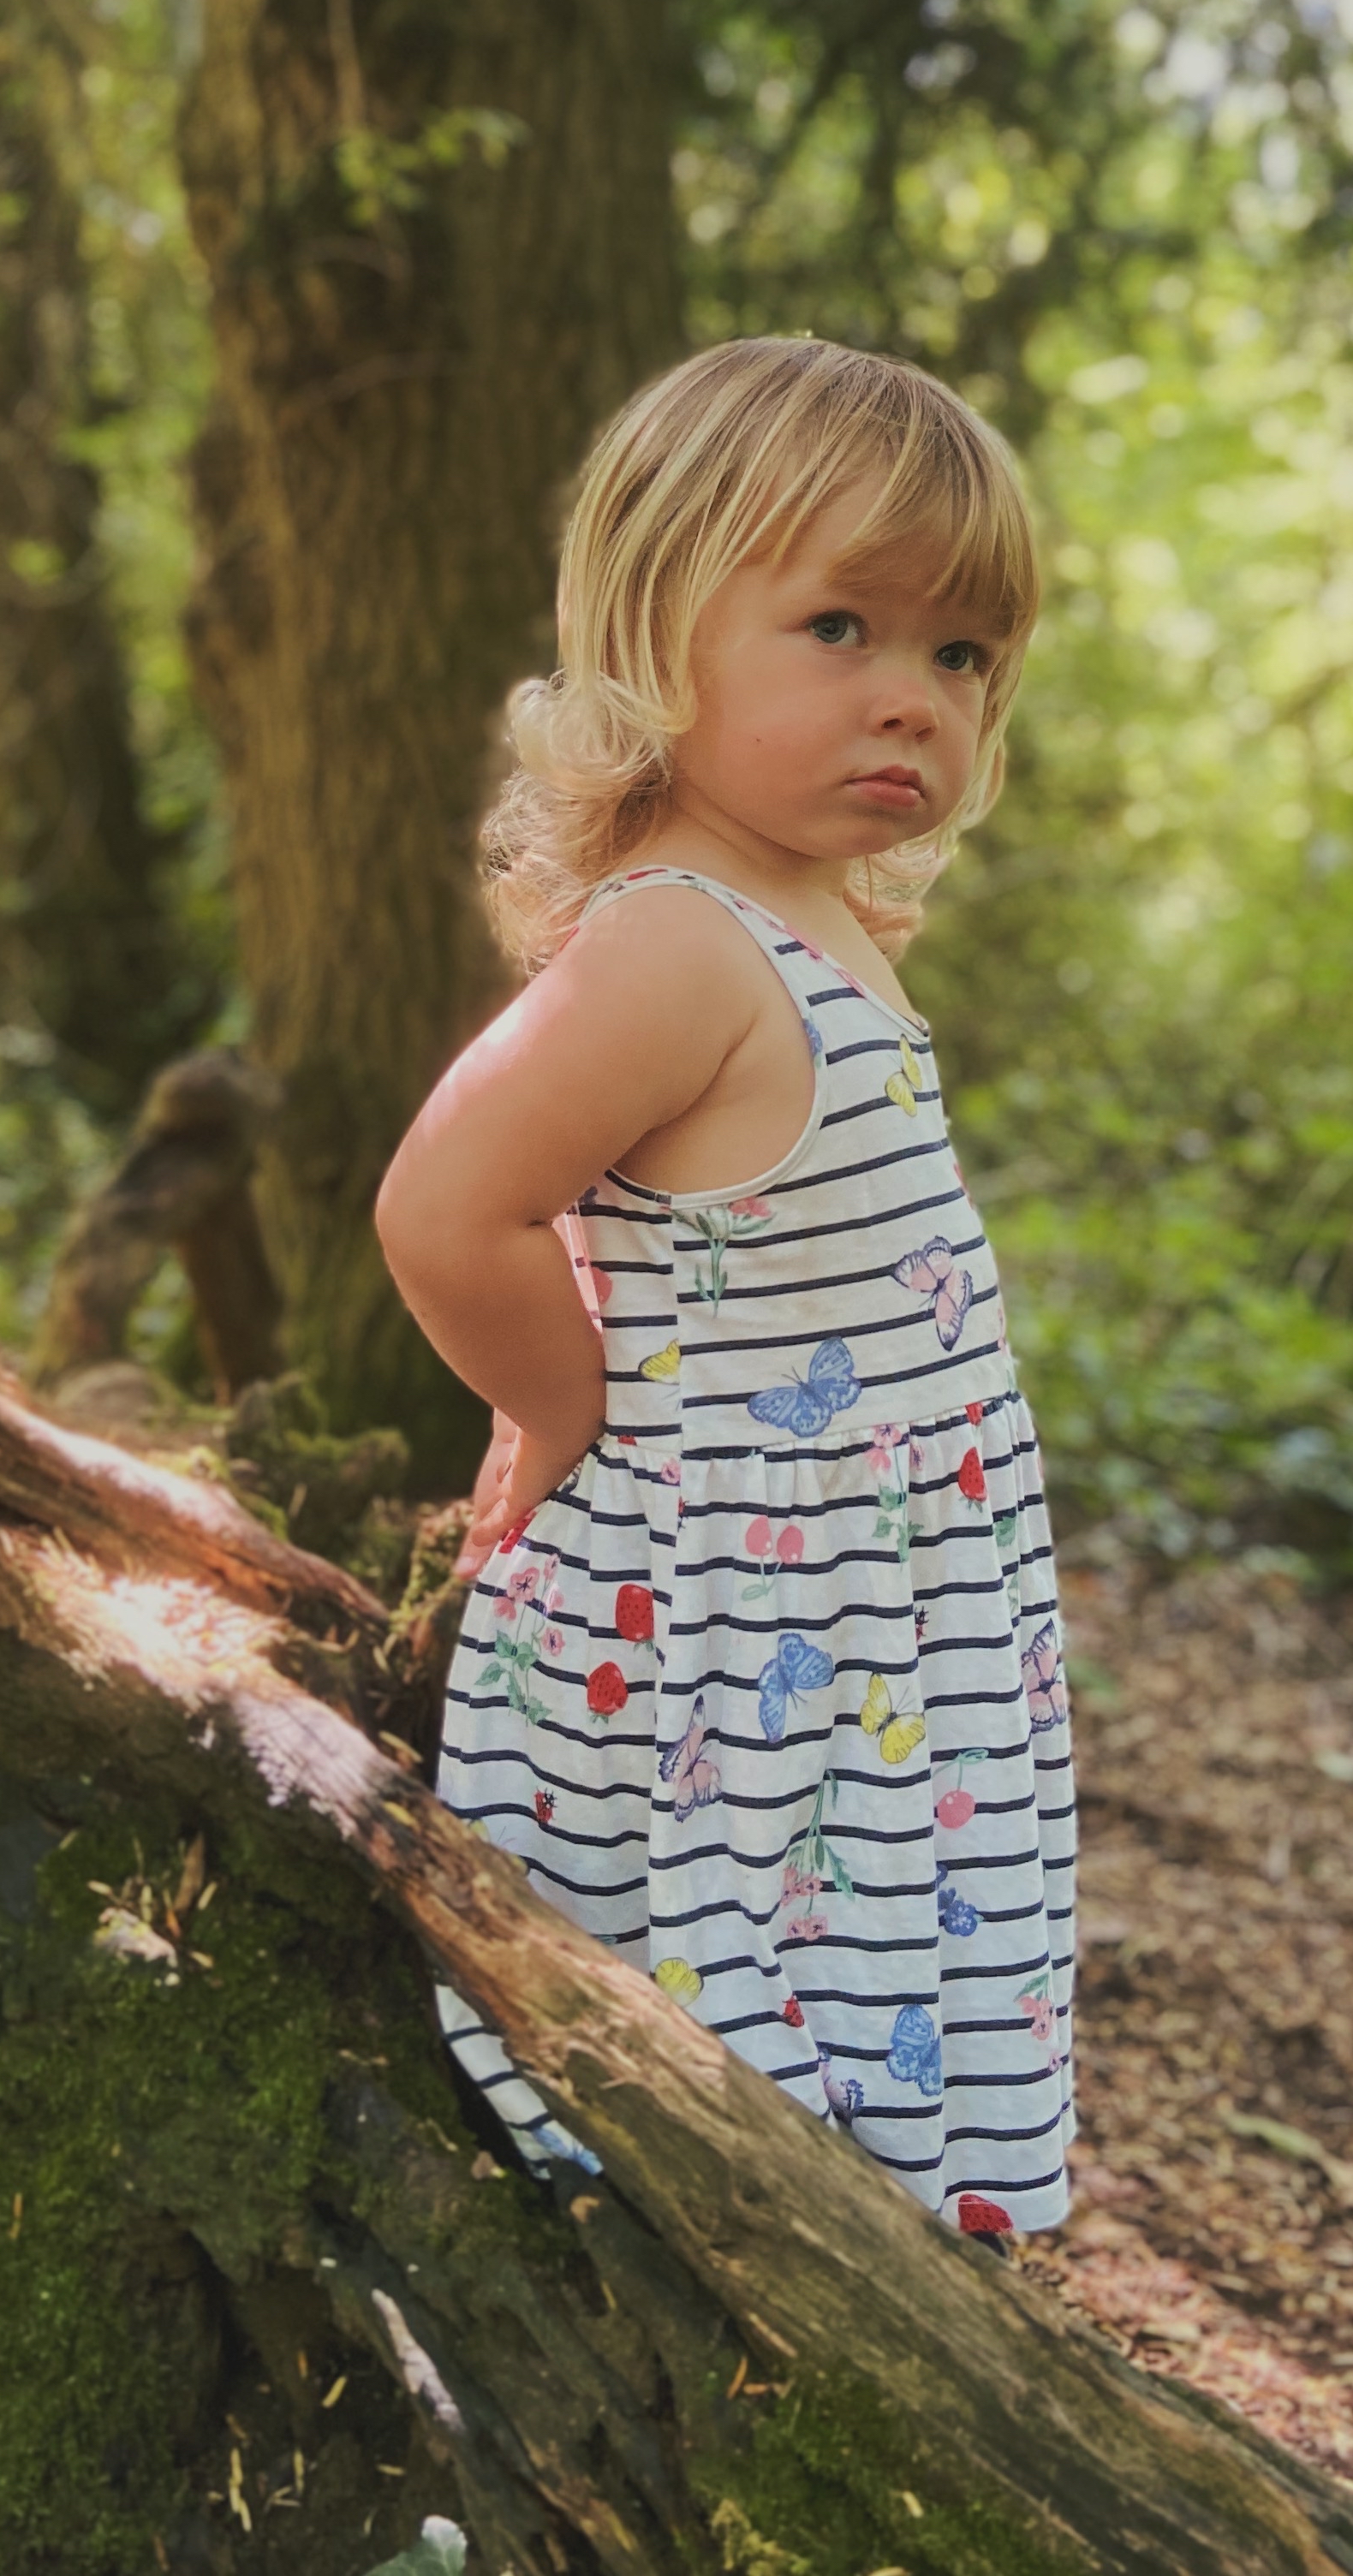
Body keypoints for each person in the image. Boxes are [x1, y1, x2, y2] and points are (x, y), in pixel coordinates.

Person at [375, 334, 1076, 2240]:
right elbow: (449, 1211)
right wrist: (562, 1403)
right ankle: (735, 2287)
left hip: (860, 1620)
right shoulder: (680, 945)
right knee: (731, 2009)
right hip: (739, 1639)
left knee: (852, 1978)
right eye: (841, 624)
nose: (914, 701)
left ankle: (861, 2269)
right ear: (656, 628)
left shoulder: (812, 916)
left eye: (960, 657)